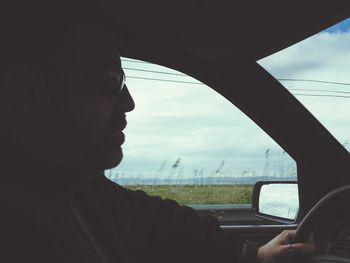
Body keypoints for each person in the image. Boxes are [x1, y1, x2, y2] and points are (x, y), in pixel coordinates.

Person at [0, 1, 314, 262]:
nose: (129, 102)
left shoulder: (79, 192)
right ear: (27, 92)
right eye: (111, 80)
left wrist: (252, 256)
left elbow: (159, 224)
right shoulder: (22, 226)